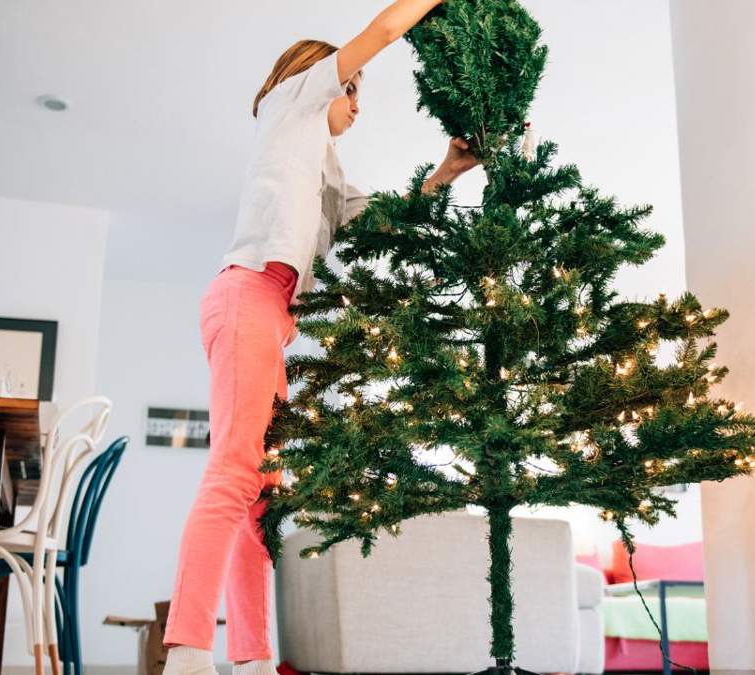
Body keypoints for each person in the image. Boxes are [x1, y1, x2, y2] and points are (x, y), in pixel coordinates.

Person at [162, 3, 480, 675]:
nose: (357, 102)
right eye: (353, 87)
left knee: (264, 490)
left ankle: (251, 657)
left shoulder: (327, 174)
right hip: (246, 293)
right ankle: (188, 650)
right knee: (233, 469)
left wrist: (446, 172)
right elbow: (385, 31)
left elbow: (389, 222)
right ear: (320, 76)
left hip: (271, 315)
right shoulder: (294, 104)